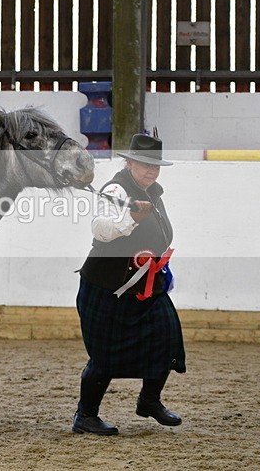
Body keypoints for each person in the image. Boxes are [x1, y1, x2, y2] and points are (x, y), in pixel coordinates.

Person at [72, 132, 185, 436]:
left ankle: (149, 401)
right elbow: (101, 229)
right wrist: (131, 219)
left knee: (167, 338)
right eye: (145, 165)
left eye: (155, 166)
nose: (151, 171)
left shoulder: (154, 194)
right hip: (107, 287)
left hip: (147, 284)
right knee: (104, 355)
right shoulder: (115, 190)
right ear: (130, 162)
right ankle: (86, 416)